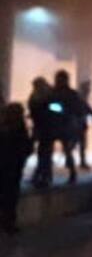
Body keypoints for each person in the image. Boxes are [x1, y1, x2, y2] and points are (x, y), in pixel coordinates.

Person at [0, 103, 34, 234]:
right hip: (14, 166)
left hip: (6, 165)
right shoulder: (19, 128)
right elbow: (25, 148)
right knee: (11, 196)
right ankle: (8, 223)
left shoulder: (4, 127)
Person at [27, 77, 53, 188]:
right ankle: (40, 175)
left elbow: (56, 109)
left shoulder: (48, 95)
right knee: (42, 152)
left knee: (44, 152)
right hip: (39, 126)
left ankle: (44, 176)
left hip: (47, 127)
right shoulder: (36, 95)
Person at [75, 80, 92, 171]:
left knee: (79, 143)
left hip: (80, 123)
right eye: (88, 89)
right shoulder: (80, 98)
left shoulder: (81, 98)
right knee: (78, 143)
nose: (89, 91)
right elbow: (88, 108)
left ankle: (80, 161)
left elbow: (88, 109)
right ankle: (80, 161)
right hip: (78, 123)